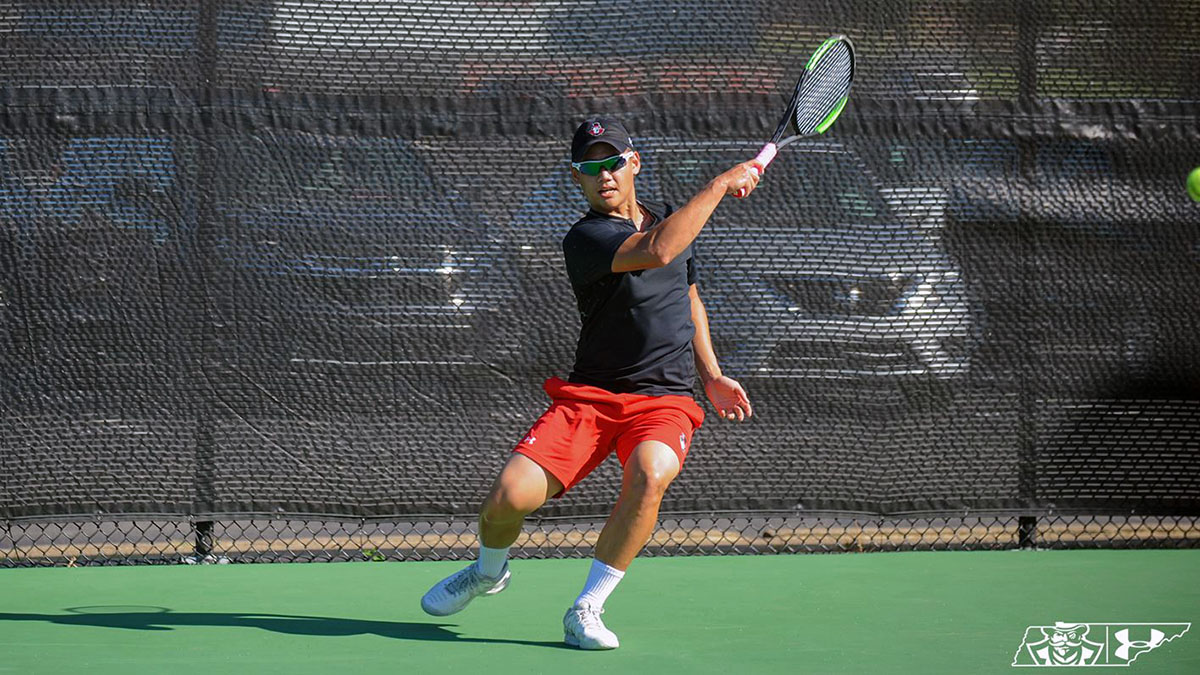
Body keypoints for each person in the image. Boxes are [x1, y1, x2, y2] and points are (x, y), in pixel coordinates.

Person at [421, 117, 760, 650]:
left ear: (634, 164)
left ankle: (587, 608)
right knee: (507, 500)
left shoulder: (671, 218)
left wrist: (712, 374)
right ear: (577, 178)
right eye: (589, 167)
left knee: (650, 474)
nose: (604, 175)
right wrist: (720, 184)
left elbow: (688, 297)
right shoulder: (586, 237)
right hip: (591, 399)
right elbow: (657, 251)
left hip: (664, 399)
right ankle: (488, 571)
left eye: (613, 162)